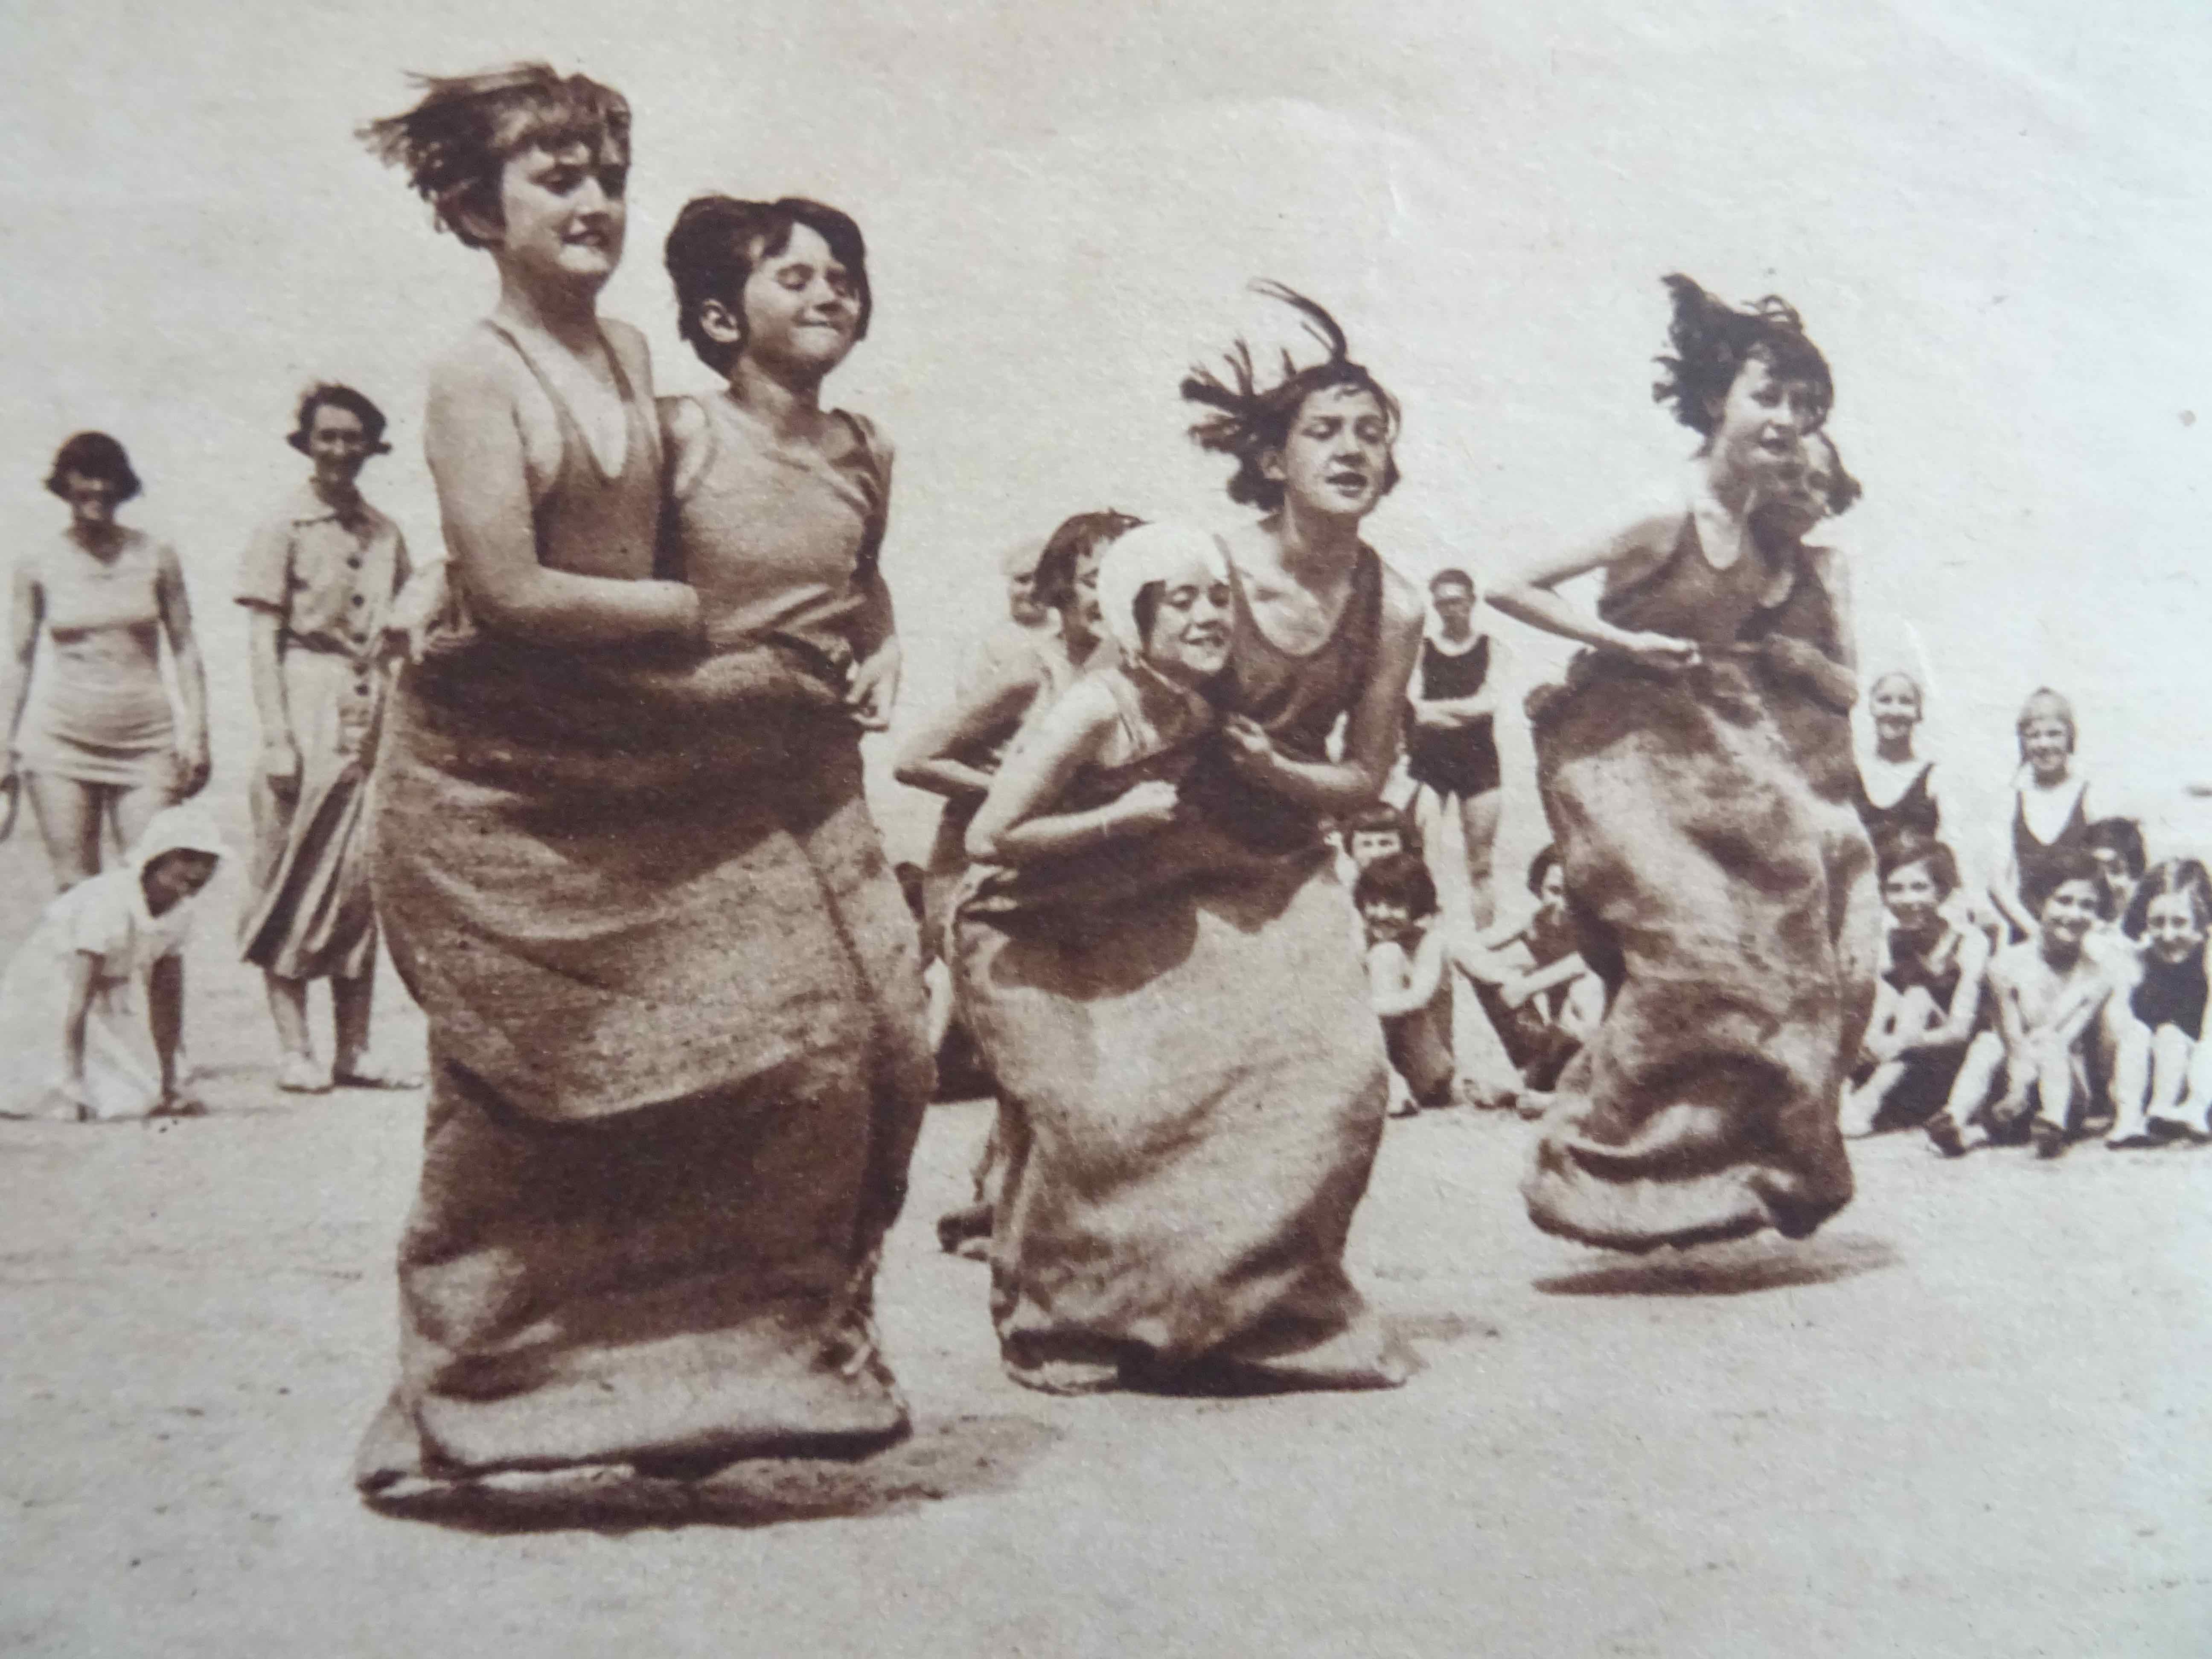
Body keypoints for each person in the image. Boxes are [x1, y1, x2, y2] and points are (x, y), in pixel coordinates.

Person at [352, 69, 929, 1506]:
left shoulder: (625, 354)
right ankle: (462, 1400)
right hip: (517, 771)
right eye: (557, 178)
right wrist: (701, 626)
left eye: (608, 174)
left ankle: (727, 1366)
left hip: (650, 757)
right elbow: (506, 582)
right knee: (530, 1091)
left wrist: (854, 634)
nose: (596, 201)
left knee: (806, 1055)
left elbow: (776, 539)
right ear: (475, 210)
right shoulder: (473, 372)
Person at [953, 283, 1423, 1394]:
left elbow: (1364, 778)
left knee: (1342, 1081)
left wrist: (1280, 773)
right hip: (1142, 864)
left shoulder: (1394, 605)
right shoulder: (1205, 566)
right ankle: (1070, 1317)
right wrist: (1104, 815)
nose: (1352, 448)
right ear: (1272, 459)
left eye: (1371, 431)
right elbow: (1104, 702)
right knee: (1131, 1109)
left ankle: (1262, 1316)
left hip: (1279, 862)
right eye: (1325, 430)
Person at [1490, 275, 1875, 1252]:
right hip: (1618, 752)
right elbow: (1509, 584)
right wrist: (1621, 642)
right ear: (1714, 400)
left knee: (1793, 951)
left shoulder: (1762, 530)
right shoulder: (1660, 509)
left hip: (1712, 751)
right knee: (1693, 956)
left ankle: (1744, 1168)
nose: (1785, 418)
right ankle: (1583, 1164)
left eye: (1800, 402)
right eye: (1765, 396)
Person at [236, 384, 429, 1093]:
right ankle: (295, 1048)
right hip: (304, 695)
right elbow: (262, 639)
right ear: (308, 442)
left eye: (354, 438)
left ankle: (355, 1048)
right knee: (290, 871)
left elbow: (404, 630)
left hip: (370, 706)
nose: (341, 450)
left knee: (358, 880)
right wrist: (277, 737)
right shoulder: (283, 525)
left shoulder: (385, 533)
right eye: (328, 436)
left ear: (371, 446)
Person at [897, 508, 1138, 943]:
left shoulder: (1135, 671)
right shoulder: (1033, 672)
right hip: (983, 874)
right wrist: (1016, 795)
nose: (1110, 596)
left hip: (1068, 867)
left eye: (1126, 582)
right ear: (1060, 590)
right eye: (1094, 582)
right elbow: (913, 761)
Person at [3, 433, 211, 890]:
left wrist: (197, 733)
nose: (96, 489)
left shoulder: (156, 555)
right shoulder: (38, 562)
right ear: (64, 483)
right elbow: (18, 659)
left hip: (146, 744)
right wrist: (2, 746)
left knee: (150, 883)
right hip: (61, 745)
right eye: (85, 477)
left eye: (107, 478)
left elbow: (185, 647)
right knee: (75, 888)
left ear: (123, 485)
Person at [0, 805, 225, 1122]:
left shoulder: (181, 914)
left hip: (100, 999)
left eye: (210, 860)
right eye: (187, 857)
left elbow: (166, 1003)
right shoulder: (109, 902)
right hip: (42, 995)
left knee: (137, 1098)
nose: (200, 870)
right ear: (156, 857)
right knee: (57, 1100)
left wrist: (170, 1080)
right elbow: (76, 998)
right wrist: (73, 1083)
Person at [1926, 851, 2113, 1159]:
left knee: (2051, 1041)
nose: (2075, 914)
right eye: (2064, 901)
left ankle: (2052, 1125)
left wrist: (2023, 1090)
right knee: (1988, 1043)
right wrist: (2016, 1091)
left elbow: (2067, 1036)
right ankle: (1954, 1118)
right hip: (2011, 1085)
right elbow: (2012, 1040)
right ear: (2039, 903)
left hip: (2066, 1094)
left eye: (2087, 906)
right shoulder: (2006, 965)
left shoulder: (2097, 975)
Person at [1842, 834, 1991, 1136]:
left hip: (1945, 1064)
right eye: (1895, 889)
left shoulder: (1969, 942)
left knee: (1917, 996)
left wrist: (1898, 1042)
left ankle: (1866, 1101)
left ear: (1943, 891)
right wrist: (1871, 1041)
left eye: (1920, 888)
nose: (1908, 901)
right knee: (1886, 992)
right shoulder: (1885, 940)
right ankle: (1847, 1094)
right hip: (1889, 1061)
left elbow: (1959, 1031)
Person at [1458, 845, 1604, 1115]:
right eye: (1554, 891)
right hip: (1558, 1041)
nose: (1564, 904)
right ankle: (1531, 1078)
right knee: (1489, 976)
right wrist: (1504, 978)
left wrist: (1529, 985)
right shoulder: (1538, 921)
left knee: (1587, 986)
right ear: (1538, 888)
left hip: (1593, 1043)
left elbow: (1589, 960)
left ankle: (1560, 1096)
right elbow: (1463, 948)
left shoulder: (1598, 926)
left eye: (1574, 895)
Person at [1403, 568, 1508, 925]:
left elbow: (1487, 705)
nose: (1450, 610)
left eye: (1456, 601)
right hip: (1430, 763)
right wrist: (1462, 711)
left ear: (1471, 601)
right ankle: (1424, 935)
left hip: (1479, 763)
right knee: (1421, 859)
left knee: (1481, 865)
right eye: (1442, 603)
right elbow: (1411, 708)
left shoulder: (1493, 648)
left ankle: (1486, 940)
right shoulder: (1422, 650)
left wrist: (1432, 712)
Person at [2104, 859, 2212, 1147]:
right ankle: (2128, 1120)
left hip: (2200, 1076)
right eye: (2157, 923)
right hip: (2137, 1078)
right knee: (2139, 1032)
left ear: (2203, 921)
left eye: (2180, 923)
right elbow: (2114, 1039)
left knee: (2171, 1035)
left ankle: (2165, 1113)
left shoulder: (2208, 958)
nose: (2168, 936)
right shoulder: (2138, 958)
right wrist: (2126, 979)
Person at [1989, 689, 2111, 942]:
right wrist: (2038, 935)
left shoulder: (2092, 796)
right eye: (2034, 736)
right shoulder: (2010, 800)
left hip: (2081, 935)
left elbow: (2110, 876)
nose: (2044, 745)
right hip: (2028, 934)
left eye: (2054, 734)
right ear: (2023, 742)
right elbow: (1998, 885)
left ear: (2071, 738)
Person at [1353, 851, 1459, 1117]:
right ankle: (1385, 1079)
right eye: (1373, 903)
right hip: (1387, 1056)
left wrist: (1355, 1011)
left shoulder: (1431, 942)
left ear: (1417, 907)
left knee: (1386, 955)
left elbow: (1417, 998)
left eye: (1395, 905)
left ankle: (1390, 1083)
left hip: (1428, 1068)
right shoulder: (1364, 939)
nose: (1381, 914)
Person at [1853, 671, 1964, 859]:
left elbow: (1950, 849)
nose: (1895, 711)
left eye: (1906, 702)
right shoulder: (1852, 770)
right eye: (1885, 700)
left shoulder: (1936, 777)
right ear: (1871, 707)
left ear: (1919, 713)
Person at [957, 536, 1060, 695]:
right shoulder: (986, 645)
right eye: (1023, 580)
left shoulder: (1068, 635)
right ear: (1009, 587)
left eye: (1043, 581)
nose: (1032, 590)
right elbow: (968, 701)